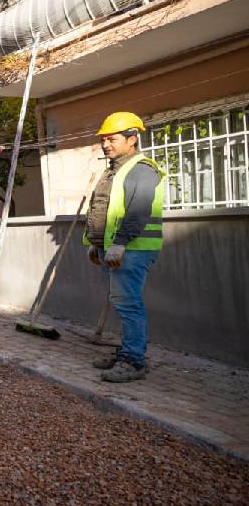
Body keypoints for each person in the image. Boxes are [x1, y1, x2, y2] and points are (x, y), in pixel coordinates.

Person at [83, 111, 165, 383]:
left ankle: (133, 361)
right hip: (114, 248)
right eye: (104, 140)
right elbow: (103, 209)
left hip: (134, 248)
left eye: (113, 139)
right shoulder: (113, 170)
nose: (106, 144)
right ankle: (128, 352)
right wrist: (96, 244)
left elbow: (138, 211)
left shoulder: (142, 169)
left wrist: (119, 244)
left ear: (132, 139)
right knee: (122, 303)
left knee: (128, 304)